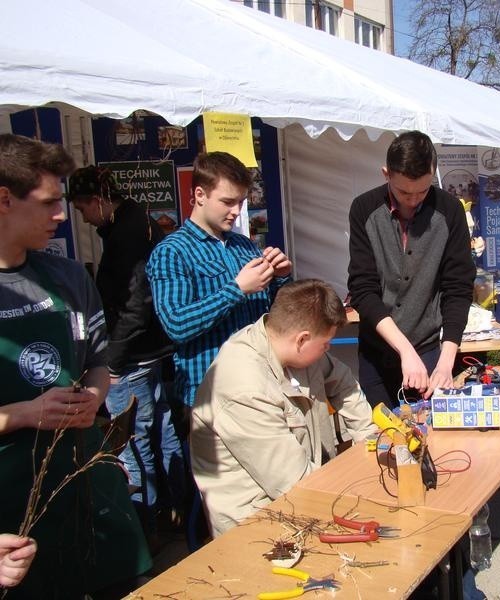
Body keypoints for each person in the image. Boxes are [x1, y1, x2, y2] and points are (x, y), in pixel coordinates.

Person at [0, 134, 151, 598]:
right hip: (12, 502)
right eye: (47, 203)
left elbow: (98, 361)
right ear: (3, 200)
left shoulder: (66, 278)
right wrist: (25, 414)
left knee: (134, 584)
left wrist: (94, 396)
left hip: (86, 476)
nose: (62, 215)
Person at [190, 279, 373, 537]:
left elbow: (342, 381)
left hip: (302, 500)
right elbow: (295, 483)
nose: (328, 349)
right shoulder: (245, 388)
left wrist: (370, 436)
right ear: (302, 340)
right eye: (325, 344)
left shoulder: (290, 347)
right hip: (258, 528)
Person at [68, 165, 185, 545]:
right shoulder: (135, 221)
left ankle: (146, 529)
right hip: (152, 349)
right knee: (162, 434)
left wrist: (112, 361)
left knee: (131, 442)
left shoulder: (127, 233)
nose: (83, 218)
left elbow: (135, 303)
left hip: (133, 355)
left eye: (82, 208)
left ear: (99, 200)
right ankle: (176, 513)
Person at [146, 151, 292, 411]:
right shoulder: (173, 251)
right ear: (200, 195)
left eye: (241, 202)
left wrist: (280, 279)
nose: (236, 211)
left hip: (260, 386)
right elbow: (176, 324)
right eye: (227, 201)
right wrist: (237, 289)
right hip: (210, 395)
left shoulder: (245, 246)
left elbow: (273, 314)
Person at [348, 131, 476, 408]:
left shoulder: (450, 211)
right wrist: (404, 350)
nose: (414, 199)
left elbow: (458, 288)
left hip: (431, 350)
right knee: (385, 440)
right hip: (376, 353)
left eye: (423, 190)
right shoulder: (364, 209)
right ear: (386, 174)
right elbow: (362, 289)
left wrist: (446, 361)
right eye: (404, 191)